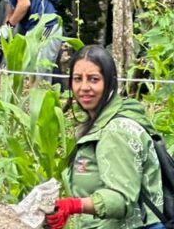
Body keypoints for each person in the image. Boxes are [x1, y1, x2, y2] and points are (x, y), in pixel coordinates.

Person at [45, 45, 163, 229]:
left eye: (93, 79)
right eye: (77, 79)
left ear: (109, 82)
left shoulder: (116, 131)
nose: (84, 87)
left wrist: (74, 205)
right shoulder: (98, 124)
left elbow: (121, 199)